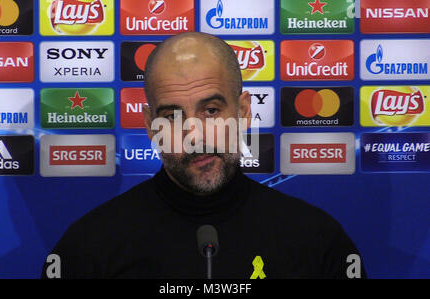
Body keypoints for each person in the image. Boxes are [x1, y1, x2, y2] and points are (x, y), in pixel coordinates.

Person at [41, 32, 366, 279]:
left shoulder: (316, 240)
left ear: (243, 111)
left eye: (211, 110)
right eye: (172, 117)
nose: (195, 135)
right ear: (150, 126)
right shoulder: (89, 247)